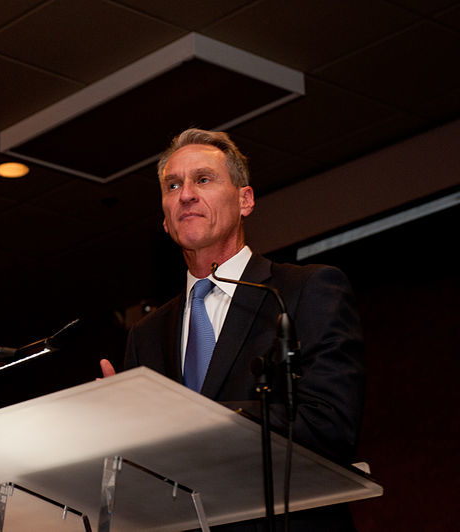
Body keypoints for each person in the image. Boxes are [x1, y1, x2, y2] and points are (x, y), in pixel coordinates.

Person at [100, 128, 365, 531]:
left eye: (203, 179)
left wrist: (186, 421)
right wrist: (120, 434)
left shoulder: (304, 290)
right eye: (173, 185)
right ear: (166, 220)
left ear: (245, 200)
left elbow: (329, 425)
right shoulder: (146, 335)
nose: (186, 193)